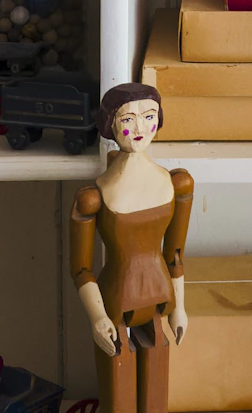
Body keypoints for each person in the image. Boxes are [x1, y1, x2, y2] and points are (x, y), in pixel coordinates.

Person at [68, 84, 193, 413]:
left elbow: (175, 255)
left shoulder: (177, 183)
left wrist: (179, 307)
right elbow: (81, 269)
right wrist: (97, 317)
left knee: (156, 387)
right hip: (116, 304)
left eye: (149, 117)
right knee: (119, 389)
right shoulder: (93, 198)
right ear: (109, 124)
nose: (139, 128)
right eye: (128, 119)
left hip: (158, 300)